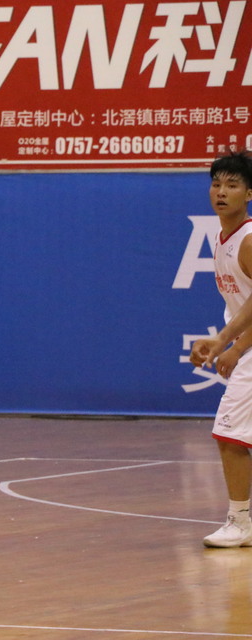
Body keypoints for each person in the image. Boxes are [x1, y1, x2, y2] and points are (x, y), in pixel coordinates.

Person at [188, 150, 252, 548]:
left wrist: (230, 344)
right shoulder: (222, 239)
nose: (221, 192)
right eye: (216, 184)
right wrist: (222, 344)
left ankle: (240, 522)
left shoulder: (248, 240)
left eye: (232, 185)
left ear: (249, 193)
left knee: (229, 433)